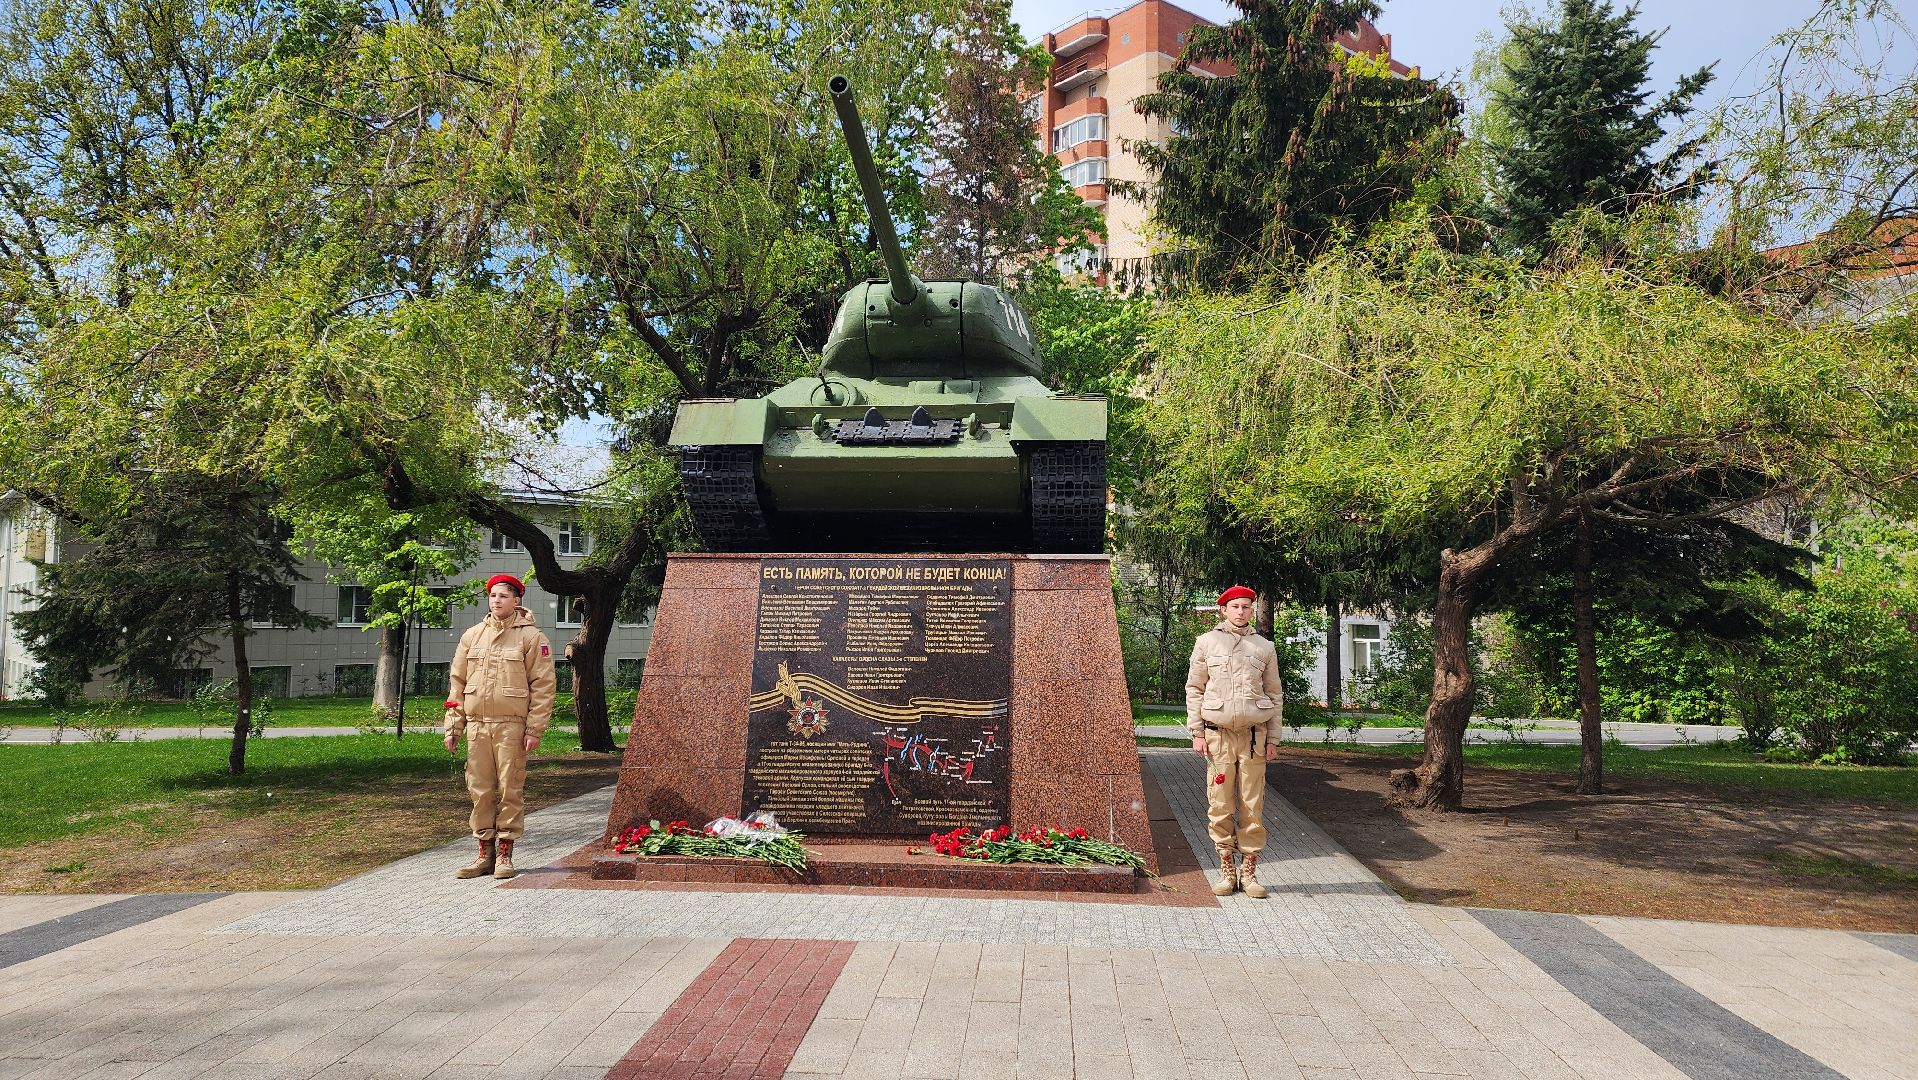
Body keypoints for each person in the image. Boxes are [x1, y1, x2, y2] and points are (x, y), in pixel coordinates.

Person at [444, 573, 558, 880]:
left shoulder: (532, 638)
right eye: (493, 595)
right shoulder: (472, 636)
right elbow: (457, 684)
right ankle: (484, 853)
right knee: (479, 790)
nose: (497, 601)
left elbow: (544, 686)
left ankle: (505, 854)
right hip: (477, 726)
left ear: (517, 601)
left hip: (512, 727)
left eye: (504, 596)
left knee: (510, 789)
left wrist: (535, 729)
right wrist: (453, 726)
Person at [1185, 585, 1282, 898]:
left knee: (1253, 803)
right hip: (1219, 736)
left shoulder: (1264, 648)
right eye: (1236, 606)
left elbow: (1275, 694)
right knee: (1220, 802)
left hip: (1255, 737)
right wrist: (1197, 732)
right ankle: (1227, 870)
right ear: (1223, 609)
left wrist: (1274, 739)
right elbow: (1194, 689)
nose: (1242, 612)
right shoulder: (1207, 642)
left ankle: (1249, 873)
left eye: (1247, 607)